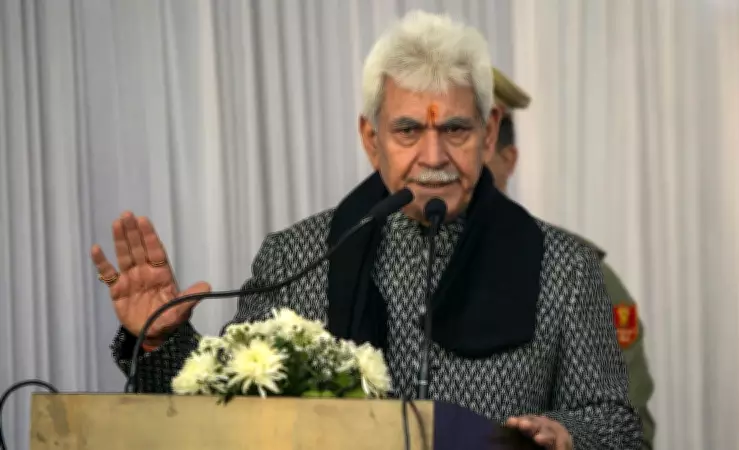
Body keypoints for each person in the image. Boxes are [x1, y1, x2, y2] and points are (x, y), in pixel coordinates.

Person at [92, 11, 642, 449]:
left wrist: (570, 435)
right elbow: (223, 416)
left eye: (455, 129)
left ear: (489, 130)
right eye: (408, 131)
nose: (434, 156)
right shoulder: (299, 257)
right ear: (371, 138)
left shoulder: (563, 266)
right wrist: (160, 340)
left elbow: (618, 425)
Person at [487, 67, 656, 449]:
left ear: (508, 160)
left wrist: (570, 438)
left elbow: (630, 435)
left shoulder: (575, 276)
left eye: (473, 149)